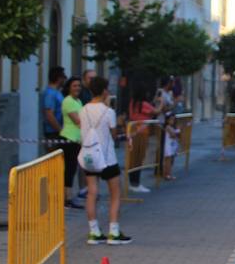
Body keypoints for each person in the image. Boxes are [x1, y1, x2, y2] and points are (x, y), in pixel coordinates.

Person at [78, 76, 131, 245]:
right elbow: (114, 135)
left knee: (92, 193)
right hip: (107, 158)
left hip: (89, 157)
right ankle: (113, 232)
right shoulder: (108, 112)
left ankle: (94, 231)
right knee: (115, 193)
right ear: (104, 91)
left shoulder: (83, 109)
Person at [128, 83, 161, 194]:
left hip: (133, 131)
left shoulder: (133, 103)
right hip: (142, 133)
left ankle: (132, 182)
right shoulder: (144, 104)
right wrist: (161, 102)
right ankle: (135, 183)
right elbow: (156, 111)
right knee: (139, 158)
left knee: (133, 158)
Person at [60, 77, 85, 210]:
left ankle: (68, 197)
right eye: (74, 86)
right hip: (69, 138)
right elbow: (77, 121)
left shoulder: (78, 101)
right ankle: (66, 198)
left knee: (72, 169)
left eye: (79, 86)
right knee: (69, 169)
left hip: (76, 139)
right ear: (69, 87)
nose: (77, 88)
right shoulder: (68, 101)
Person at [42, 66, 66, 155]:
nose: (64, 80)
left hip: (57, 132)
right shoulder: (50, 94)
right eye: (63, 77)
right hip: (52, 133)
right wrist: (60, 130)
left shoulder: (57, 92)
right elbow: (49, 114)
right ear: (59, 78)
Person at [162, 112, 180, 180]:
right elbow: (173, 135)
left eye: (173, 119)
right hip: (168, 145)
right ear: (167, 120)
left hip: (172, 145)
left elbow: (177, 135)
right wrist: (177, 131)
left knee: (171, 160)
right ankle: (167, 174)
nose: (172, 121)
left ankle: (168, 173)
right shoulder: (167, 127)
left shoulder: (173, 127)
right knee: (168, 160)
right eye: (171, 119)